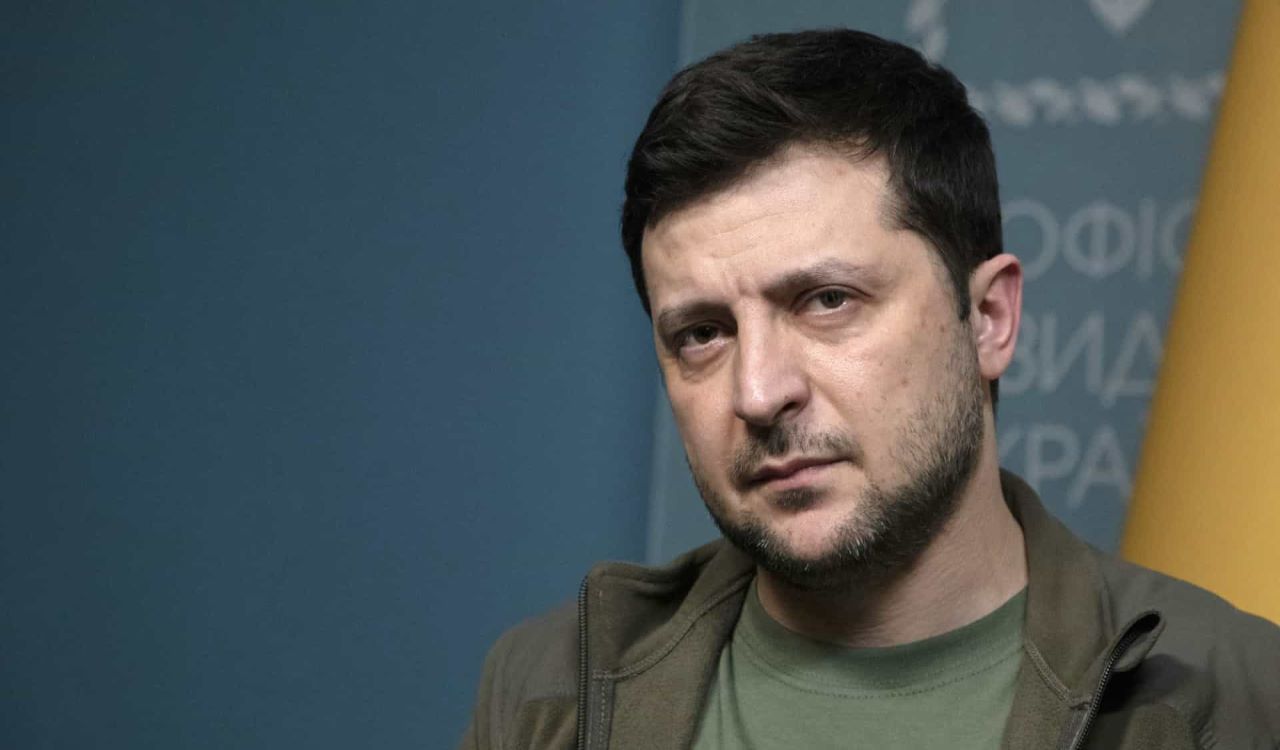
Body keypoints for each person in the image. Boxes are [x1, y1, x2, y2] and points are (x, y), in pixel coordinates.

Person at [460, 29, 1280, 749]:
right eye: (703, 334)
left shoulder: (1237, 700)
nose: (759, 392)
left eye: (827, 301)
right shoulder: (555, 693)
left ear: (988, 318)